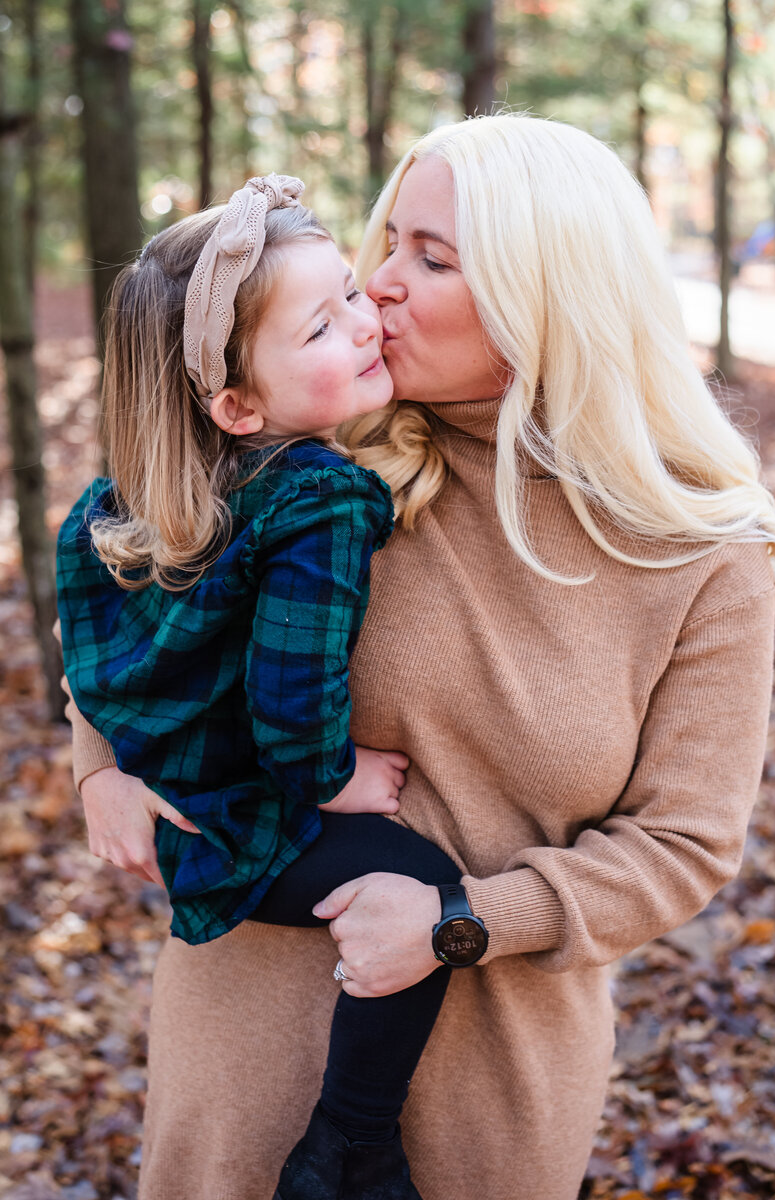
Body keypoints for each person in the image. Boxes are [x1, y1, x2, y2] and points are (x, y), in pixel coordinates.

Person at [65, 115, 775, 1200]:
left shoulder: (698, 552)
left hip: (485, 1095)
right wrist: (98, 766)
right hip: (239, 1058)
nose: (380, 283)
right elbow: (134, 580)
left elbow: (683, 846)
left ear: (545, 292)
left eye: (432, 258)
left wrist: (462, 922)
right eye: (388, 243)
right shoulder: (308, 451)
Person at [56, 172, 482, 1200]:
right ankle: (348, 1144)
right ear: (237, 404)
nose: (363, 322)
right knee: (418, 892)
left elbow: (88, 649)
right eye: (322, 329)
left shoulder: (113, 506)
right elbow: (292, 696)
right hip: (239, 819)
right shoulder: (323, 496)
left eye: (348, 291)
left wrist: (120, 760)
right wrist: (329, 777)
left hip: (178, 804)